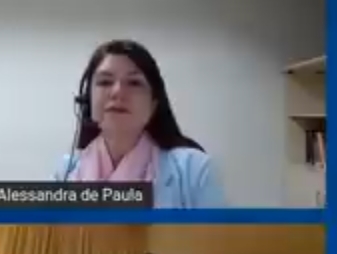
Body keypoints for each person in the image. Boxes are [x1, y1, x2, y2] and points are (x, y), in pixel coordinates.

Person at [54, 39, 224, 208]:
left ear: (153, 104)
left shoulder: (194, 171)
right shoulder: (64, 174)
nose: (117, 92)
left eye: (134, 83)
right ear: (87, 101)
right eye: (105, 82)